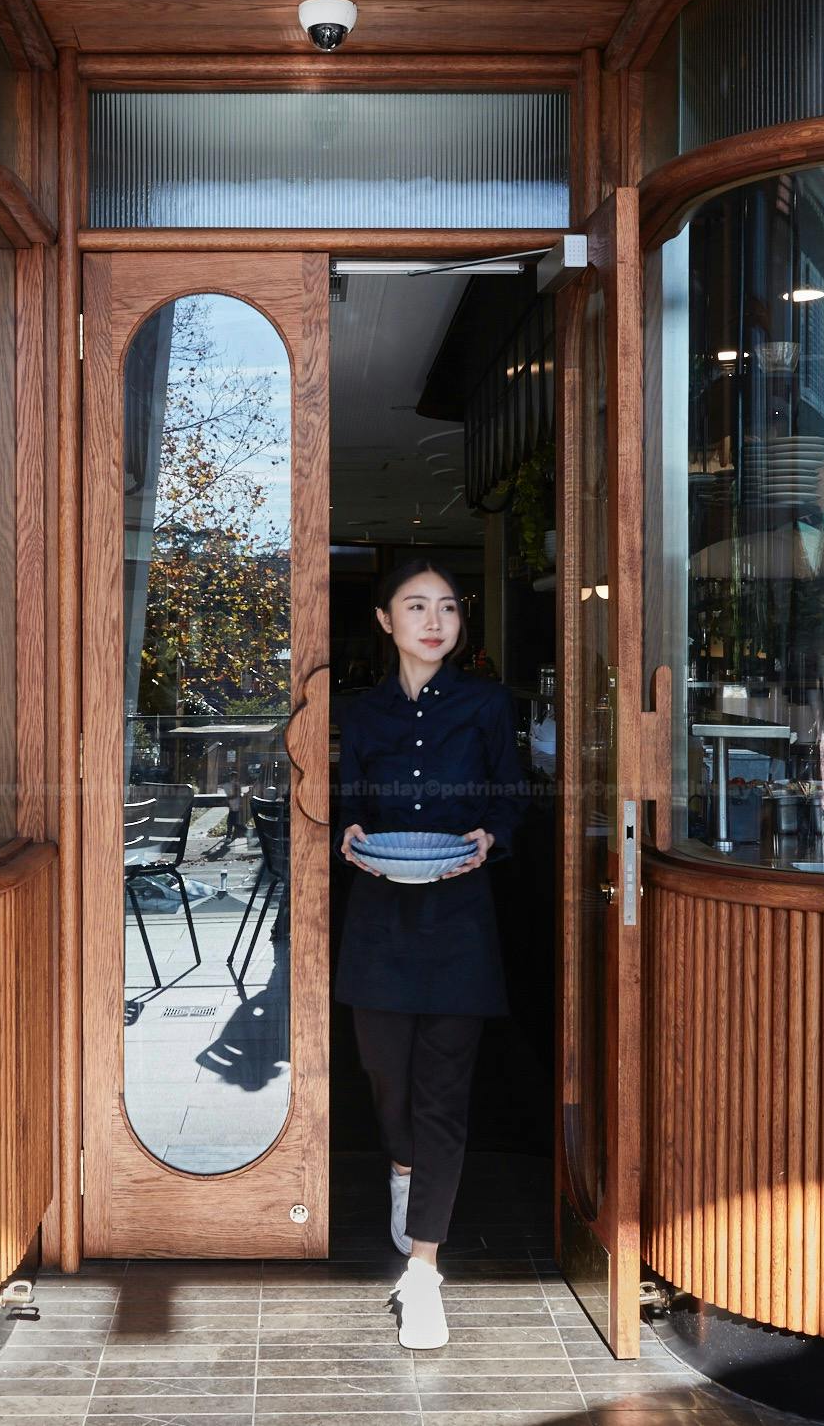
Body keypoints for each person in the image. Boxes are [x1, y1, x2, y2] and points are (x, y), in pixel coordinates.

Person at [333, 560, 527, 1351]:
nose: (434, 620)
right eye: (415, 606)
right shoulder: (362, 712)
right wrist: (346, 835)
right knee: (386, 1078)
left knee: (443, 1094)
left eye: (446, 606)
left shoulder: (486, 703)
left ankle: (422, 1273)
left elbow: (509, 796)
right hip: (379, 916)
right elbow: (348, 802)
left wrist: (494, 836)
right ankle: (402, 1169)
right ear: (385, 621)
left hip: (458, 920)